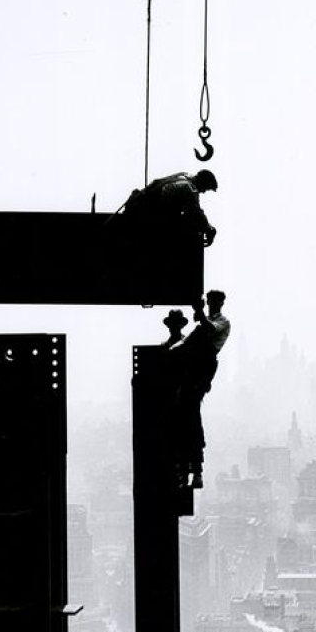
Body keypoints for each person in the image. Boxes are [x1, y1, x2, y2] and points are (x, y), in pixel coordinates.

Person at [170, 289, 231, 488]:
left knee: (190, 418)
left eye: (215, 301)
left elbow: (209, 330)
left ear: (220, 303)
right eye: (210, 301)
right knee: (186, 418)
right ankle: (191, 470)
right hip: (193, 370)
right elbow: (185, 344)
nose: (212, 304)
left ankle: (194, 470)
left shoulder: (222, 322)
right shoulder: (200, 326)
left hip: (201, 369)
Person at [122, 170, 218, 246]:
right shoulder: (189, 189)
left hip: (135, 205)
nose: (204, 191)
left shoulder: (182, 175)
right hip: (144, 217)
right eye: (206, 188)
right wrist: (209, 229)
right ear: (202, 182)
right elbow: (195, 213)